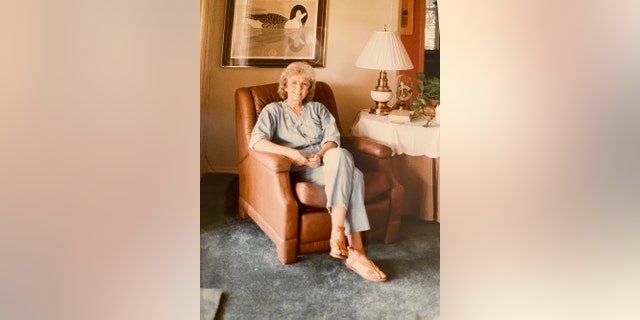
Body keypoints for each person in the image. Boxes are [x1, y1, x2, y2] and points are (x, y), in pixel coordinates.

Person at [249, 61, 387, 282]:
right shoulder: (272, 110)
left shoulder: (318, 109)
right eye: (293, 83)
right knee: (355, 176)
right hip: (300, 167)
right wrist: (292, 154)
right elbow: (257, 142)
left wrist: (320, 155)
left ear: (309, 88)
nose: (298, 88)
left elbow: (333, 139)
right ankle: (357, 252)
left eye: (304, 84)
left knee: (340, 155)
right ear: (284, 85)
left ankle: (337, 231)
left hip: (325, 160)